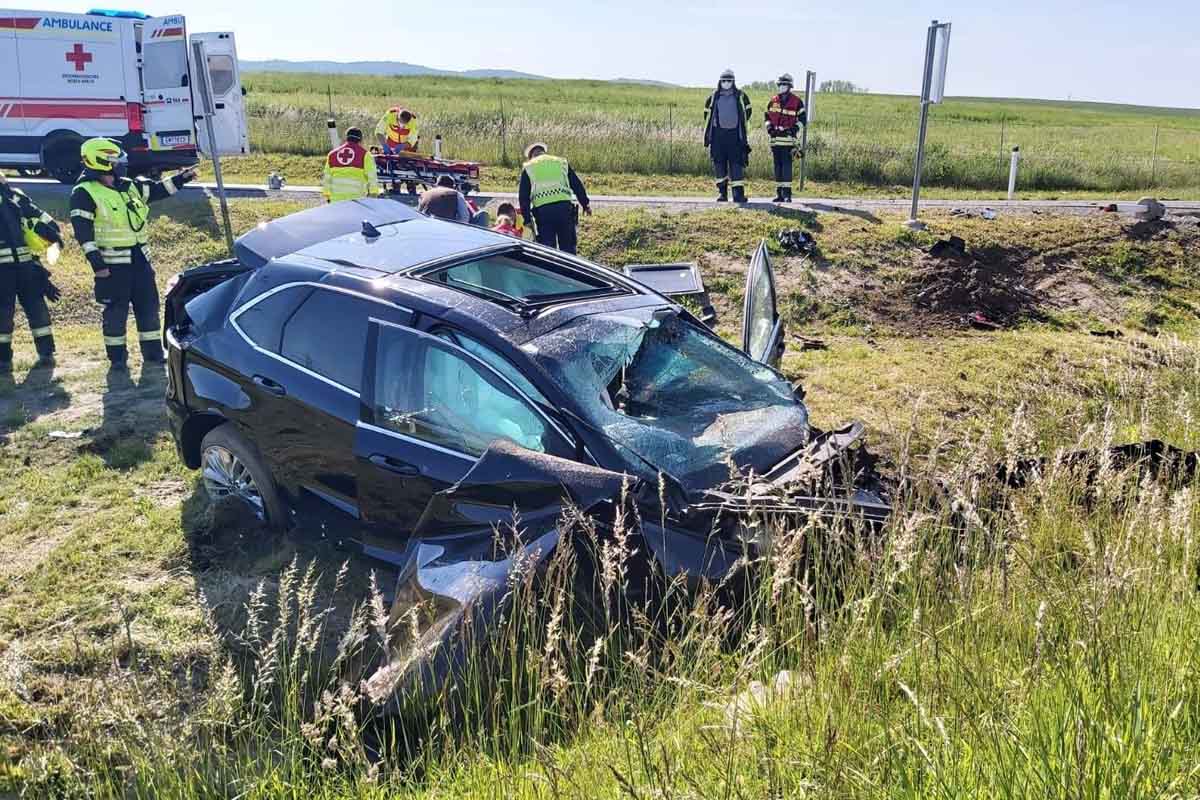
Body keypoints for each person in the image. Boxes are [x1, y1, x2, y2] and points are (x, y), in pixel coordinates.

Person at [70, 138, 196, 369]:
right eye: (116, 161)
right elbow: (83, 234)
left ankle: (153, 355)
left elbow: (158, 191)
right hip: (112, 266)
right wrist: (98, 265)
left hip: (140, 263)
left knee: (148, 309)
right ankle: (117, 360)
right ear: (102, 163)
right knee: (115, 314)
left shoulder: (128, 186)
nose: (121, 165)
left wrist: (182, 178)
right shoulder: (84, 192)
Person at [0, 174, 62, 371]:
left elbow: (46, 223)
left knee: (37, 309)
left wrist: (39, 268)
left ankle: (46, 354)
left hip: (27, 265)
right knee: (4, 314)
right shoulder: (12, 196)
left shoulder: (14, 196)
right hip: (5, 270)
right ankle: (3, 360)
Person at [518, 142, 590, 254]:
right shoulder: (560, 162)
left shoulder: (529, 167)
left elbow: (523, 197)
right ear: (544, 152)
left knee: (548, 251)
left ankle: (551, 271)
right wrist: (585, 204)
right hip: (564, 210)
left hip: (544, 213)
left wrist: (527, 219)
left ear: (531, 156)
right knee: (568, 249)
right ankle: (569, 271)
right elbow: (576, 184)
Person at [703, 69, 752, 203]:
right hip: (718, 136)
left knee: (736, 165)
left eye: (729, 81)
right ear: (720, 81)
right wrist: (709, 134)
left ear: (733, 82)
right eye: (724, 81)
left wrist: (739, 125)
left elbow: (748, 112)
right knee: (719, 165)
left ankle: (738, 195)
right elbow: (706, 115)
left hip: (735, 136)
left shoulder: (741, 95)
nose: (726, 83)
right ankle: (722, 194)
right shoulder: (714, 96)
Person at [764, 73, 806, 203]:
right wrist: (769, 128)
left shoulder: (797, 101)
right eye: (780, 84)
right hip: (775, 141)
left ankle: (787, 195)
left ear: (789, 86)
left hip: (788, 141)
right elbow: (767, 117)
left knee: (786, 168)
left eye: (784, 85)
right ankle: (779, 194)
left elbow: (803, 119)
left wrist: (795, 129)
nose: (782, 86)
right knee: (777, 168)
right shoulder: (773, 100)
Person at [321, 127, 381, 202]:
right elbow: (372, 176)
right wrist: (374, 193)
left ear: (346, 138)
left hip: (336, 201)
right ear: (360, 140)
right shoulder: (365, 155)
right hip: (357, 201)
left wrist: (327, 195)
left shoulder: (332, 154)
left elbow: (327, 177)